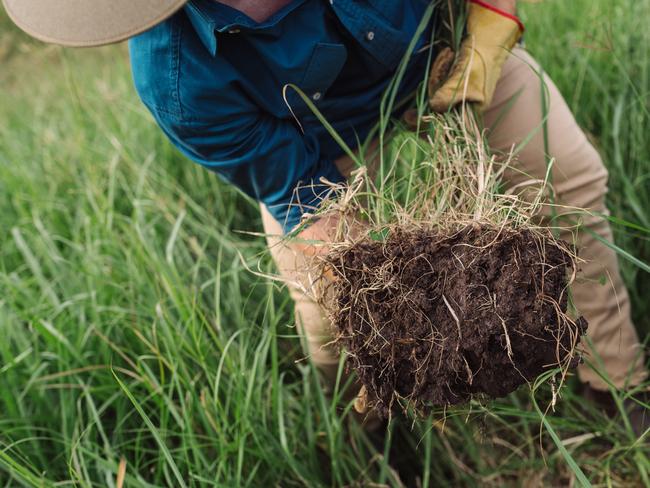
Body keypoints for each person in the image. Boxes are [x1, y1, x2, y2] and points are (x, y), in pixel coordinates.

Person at [4, 0, 647, 432]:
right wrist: (391, 288)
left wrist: (491, 13)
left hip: (450, 55)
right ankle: (371, 423)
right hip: (312, 139)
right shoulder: (180, 82)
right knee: (328, 302)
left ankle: (616, 386)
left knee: (568, 182)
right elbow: (303, 197)